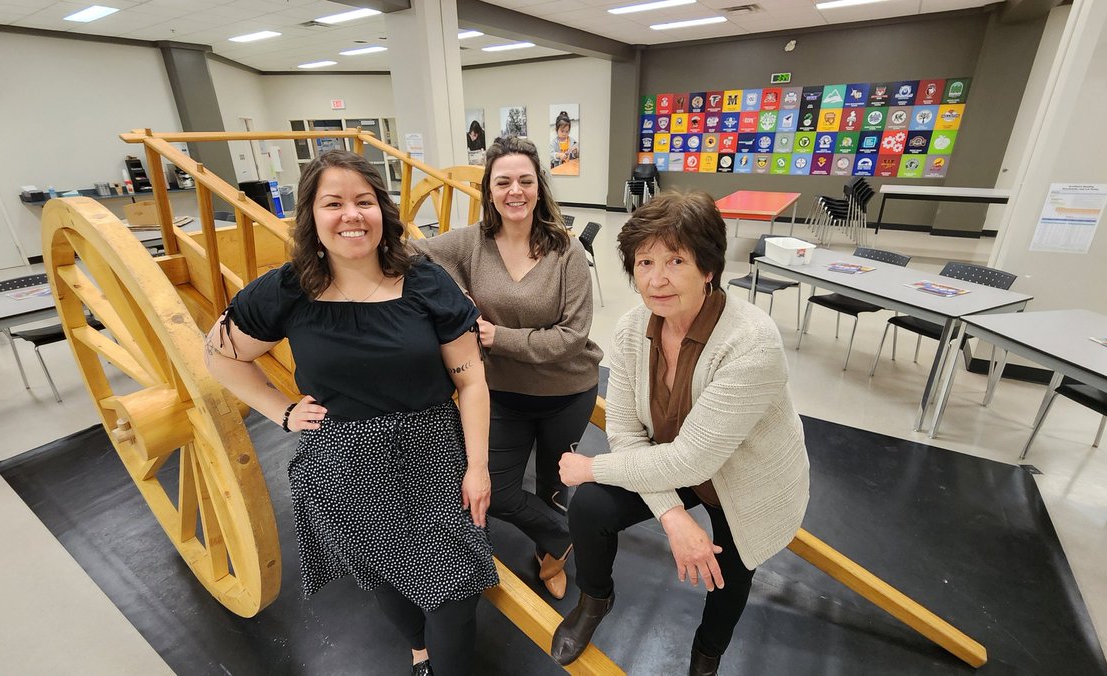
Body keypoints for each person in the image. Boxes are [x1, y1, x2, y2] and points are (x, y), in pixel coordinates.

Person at [203, 149, 497, 676]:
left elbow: (471, 380)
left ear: (382, 211)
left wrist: (477, 467)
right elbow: (220, 354)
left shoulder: (427, 282)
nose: (351, 215)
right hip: (346, 460)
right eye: (332, 203)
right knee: (388, 572)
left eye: (364, 201)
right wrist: (283, 411)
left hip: (430, 449)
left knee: (455, 588)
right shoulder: (289, 288)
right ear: (312, 218)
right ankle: (418, 649)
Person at [551, 191, 810, 674]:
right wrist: (673, 517)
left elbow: (693, 459)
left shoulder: (752, 342)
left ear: (708, 268)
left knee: (728, 573)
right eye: (644, 262)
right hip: (677, 461)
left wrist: (591, 466)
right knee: (589, 505)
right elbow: (628, 434)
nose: (656, 279)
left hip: (746, 479)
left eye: (675, 260)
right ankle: (595, 600)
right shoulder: (633, 329)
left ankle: (705, 659)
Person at [413, 136, 602, 601]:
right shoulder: (471, 243)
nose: (514, 190)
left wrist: (499, 337)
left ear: (538, 186)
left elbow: (571, 337)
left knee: (556, 485)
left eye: (524, 180)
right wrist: (459, 300)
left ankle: (549, 555)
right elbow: (414, 257)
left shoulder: (566, 251)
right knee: (494, 490)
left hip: (565, 390)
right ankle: (566, 537)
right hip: (502, 393)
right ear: (489, 190)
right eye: (503, 182)